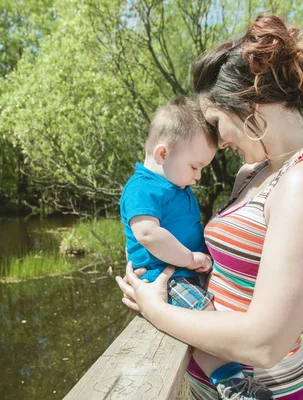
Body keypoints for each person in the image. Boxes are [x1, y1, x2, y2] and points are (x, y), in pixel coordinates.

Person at [116, 14, 303, 400]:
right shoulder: (252, 172)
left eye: (215, 122)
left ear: (246, 101)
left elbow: (265, 344)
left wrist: (155, 308)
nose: (219, 143)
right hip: (208, 387)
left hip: (270, 391)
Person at [120, 96, 273, 400]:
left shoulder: (175, 186)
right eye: (195, 166)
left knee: (203, 322)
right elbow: (148, 234)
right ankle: (234, 385)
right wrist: (190, 258)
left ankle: (229, 380)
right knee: (203, 318)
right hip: (165, 276)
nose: (199, 175)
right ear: (163, 153)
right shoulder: (142, 188)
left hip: (180, 274)